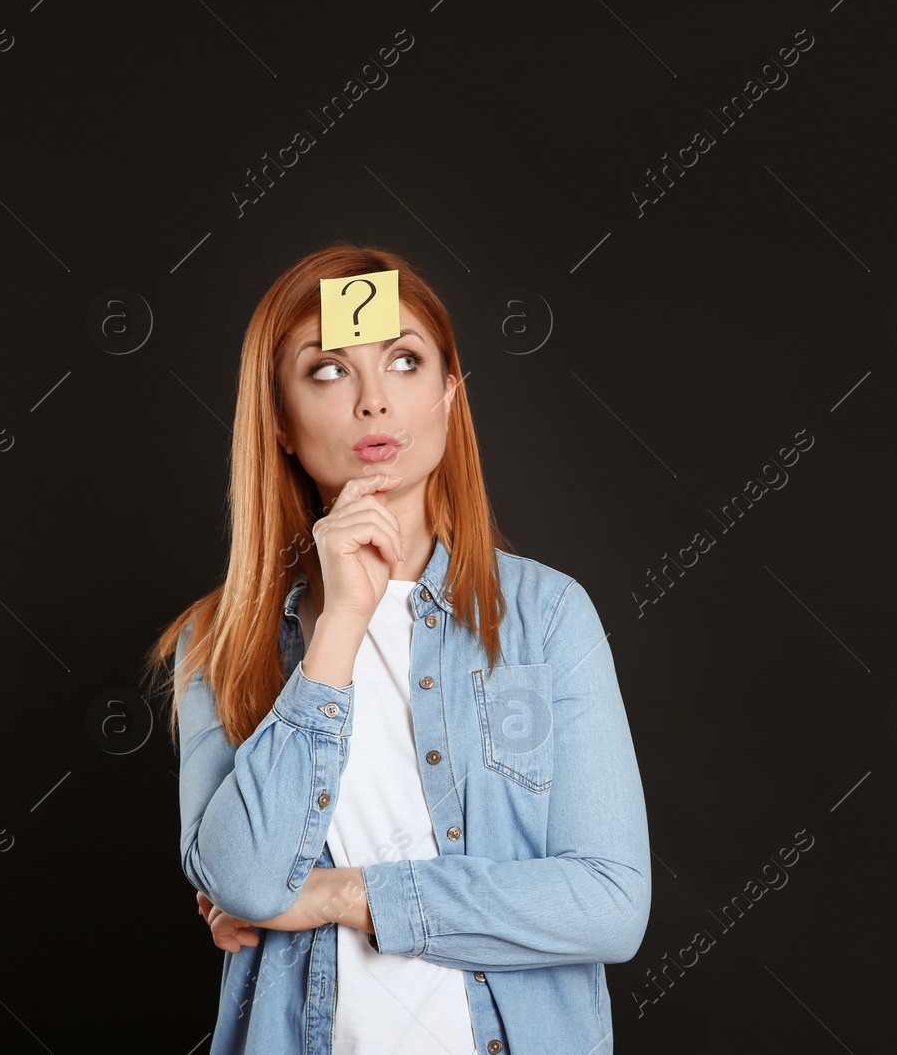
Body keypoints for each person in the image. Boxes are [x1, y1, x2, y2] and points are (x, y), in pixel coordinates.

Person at [142, 242, 651, 1054]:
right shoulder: (219, 640)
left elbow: (611, 903)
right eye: (330, 371)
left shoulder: (546, 617)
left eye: (404, 361)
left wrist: (341, 893)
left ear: (451, 395)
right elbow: (239, 879)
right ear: (279, 417)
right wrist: (340, 621)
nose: (375, 402)